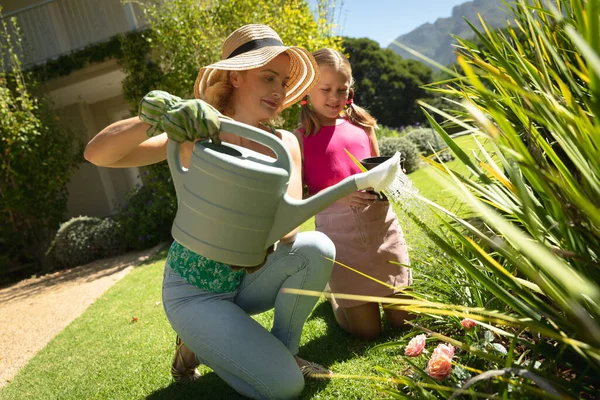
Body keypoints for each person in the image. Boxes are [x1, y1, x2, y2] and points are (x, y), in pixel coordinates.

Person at [84, 24, 336, 400]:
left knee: (317, 248)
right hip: (194, 292)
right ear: (235, 77)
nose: (278, 91)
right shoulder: (193, 131)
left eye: (283, 82)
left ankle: (285, 350)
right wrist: (154, 116)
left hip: (247, 279)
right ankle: (197, 338)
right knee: (284, 388)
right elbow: (98, 154)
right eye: (268, 77)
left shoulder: (285, 144)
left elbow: (289, 233)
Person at [294, 48, 412, 340]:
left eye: (341, 90)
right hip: (341, 240)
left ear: (350, 90)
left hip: (381, 230)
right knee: (367, 332)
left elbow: (378, 171)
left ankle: (376, 296)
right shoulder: (298, 139)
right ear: (308, 88)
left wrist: (392, 176)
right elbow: (297, 201)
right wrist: (340, 194)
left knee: (406, 321)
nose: (334, 97)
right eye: (326, 89)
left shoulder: (362, 127)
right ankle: (336, 302)